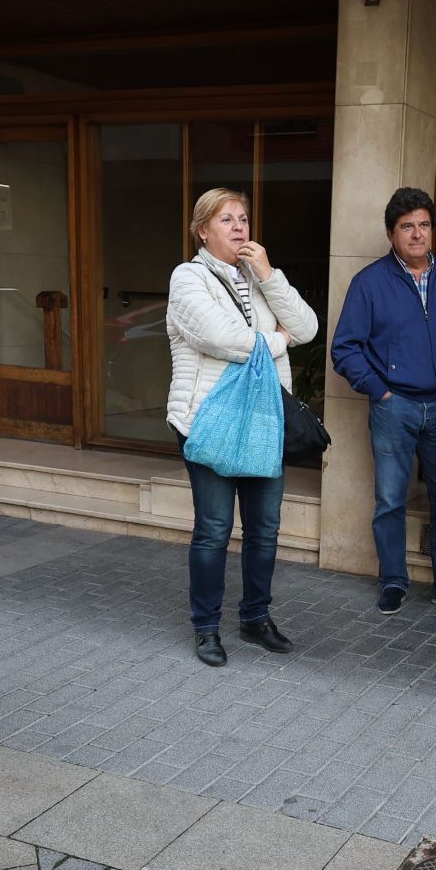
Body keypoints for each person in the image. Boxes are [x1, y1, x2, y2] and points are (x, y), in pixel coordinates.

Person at [165, 187, 319, 666]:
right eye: (226, 219)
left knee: (265, 530)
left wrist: (271, 277)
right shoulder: (188, 277)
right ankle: (206, 627)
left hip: (262, 419)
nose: (239, 228)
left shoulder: (259, 276)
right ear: (202, 229)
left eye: (244, 219)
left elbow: (309, 327)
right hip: (208, 421)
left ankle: (255, 618)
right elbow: (222, 338)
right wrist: (277, 340)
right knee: (213, 530)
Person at [330, 186, 436, 616]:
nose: (417, 234)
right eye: (406, 226)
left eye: (424, 225)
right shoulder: (370, 283)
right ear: (392, 234)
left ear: (433, 229)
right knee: (391, 499)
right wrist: (381, 391)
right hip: (394, 406)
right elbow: (345, 349)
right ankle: (393, 579)